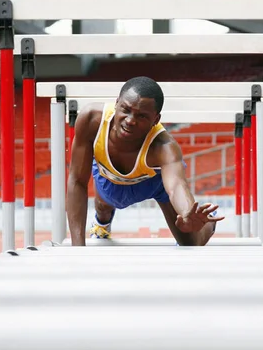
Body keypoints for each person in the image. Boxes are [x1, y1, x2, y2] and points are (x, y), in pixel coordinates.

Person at [67, 76, 224, 246]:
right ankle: (101, 225)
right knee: (102, 206)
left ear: (155, 120)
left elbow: (176, 186)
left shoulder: (164, 147)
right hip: (109, 177)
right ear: (116, 102)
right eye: (125, 109)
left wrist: (187, 214)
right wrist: (78, 249)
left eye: (141, 116)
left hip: (154, 183)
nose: (130, 120)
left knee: (191, 243)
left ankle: (209, 224)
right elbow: (77, 181)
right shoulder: (91, 120)